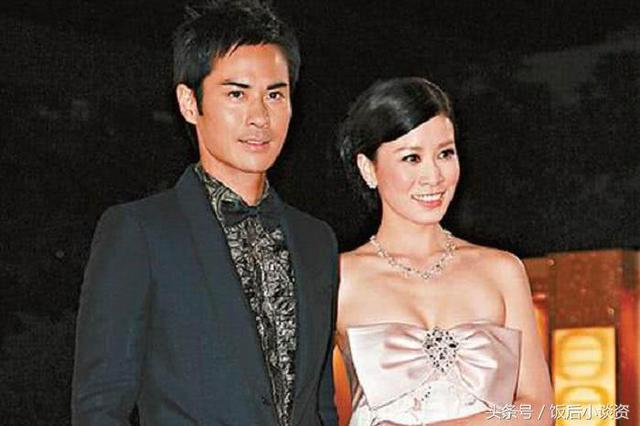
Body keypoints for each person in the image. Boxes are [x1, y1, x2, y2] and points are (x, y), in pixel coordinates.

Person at [72, 1, 338, 425]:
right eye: (236, 94)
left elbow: (323, 405)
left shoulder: (316, 240)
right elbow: (100, 406)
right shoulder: (140, 232)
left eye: (275, 95)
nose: (259, 117)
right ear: (189, 102)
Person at [336, 77, 553, 425]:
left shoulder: (501, 270)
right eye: (411, 158)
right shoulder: (339, 277)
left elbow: (539, 409)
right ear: (368, 169)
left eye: (445, 154)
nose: (433, 176)